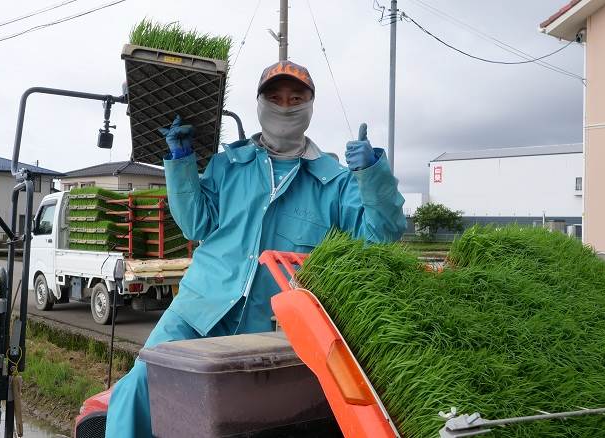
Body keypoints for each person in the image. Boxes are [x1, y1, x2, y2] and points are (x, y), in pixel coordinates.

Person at [105, 60, 407, 437]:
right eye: (275, 97)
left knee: (248, 425)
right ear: (260, 104)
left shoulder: (336, 182)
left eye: (296, 98)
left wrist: (372, 174)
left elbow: (382, 237)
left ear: (310, 107)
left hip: (274, 332)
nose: (285, 106)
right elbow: (195, 223)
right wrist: (181, 161)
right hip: (198, 310)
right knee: (137, 389)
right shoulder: (228, 164)